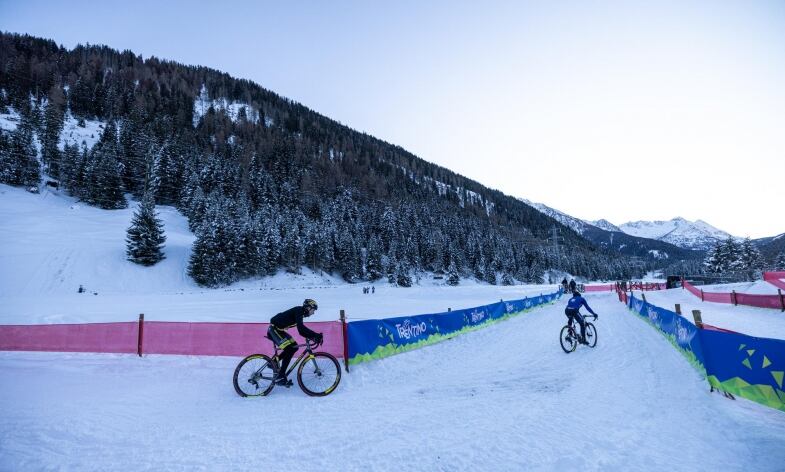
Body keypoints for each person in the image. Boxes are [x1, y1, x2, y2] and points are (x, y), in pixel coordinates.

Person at [268, 299, 323, 387]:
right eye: (313, 310)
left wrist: (312, 337)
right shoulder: (299, 310)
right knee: (289, 349)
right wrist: (315, 335)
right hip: (274, 330)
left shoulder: (300, 313)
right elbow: (301, 328)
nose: (313, 313)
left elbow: (301, 332)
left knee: (294, 347)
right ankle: (281, 376)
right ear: (308, 308)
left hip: (279, 330)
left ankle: (273, 362)